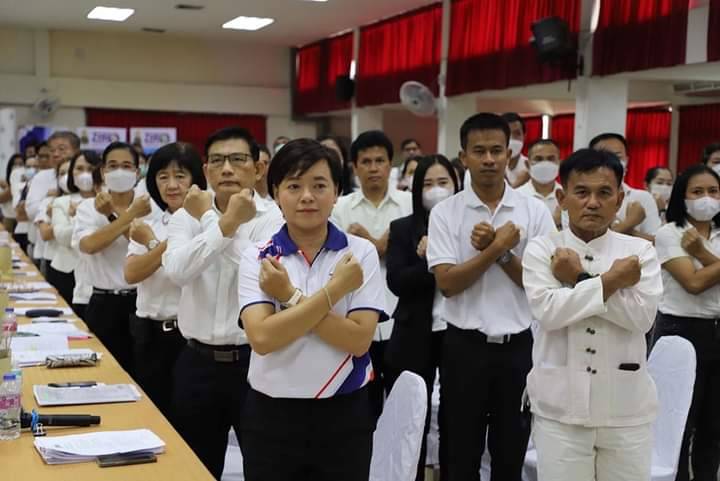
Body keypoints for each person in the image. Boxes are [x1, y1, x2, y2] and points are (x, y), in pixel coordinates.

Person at [238, 138, 384, 481]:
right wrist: (335, 291)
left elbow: (358, 341)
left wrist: (288, 296)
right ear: (276, 193)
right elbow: (262, 338)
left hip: (344, 414)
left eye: (319, 186)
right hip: (271, 415)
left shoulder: (359, 254)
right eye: (294, 186)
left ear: (337, 192)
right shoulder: (258, 255)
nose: (307, 196)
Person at [427, 113, 555, 481]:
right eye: (479, 151)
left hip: (517, 349)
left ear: (509, 156)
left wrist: (501, 254)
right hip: (463, 348)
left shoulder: (534, 212)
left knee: (510, 454)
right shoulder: (446, 213)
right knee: (459, 454)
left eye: (496, 151)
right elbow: (448, 283)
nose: (488, 159)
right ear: (463, 157)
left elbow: (540, 283)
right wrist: (496, 248)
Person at [522, 148, 662, 481]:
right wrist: (612, 281)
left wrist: (578, 279)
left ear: (620, 199)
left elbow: (641, 318)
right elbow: (550, 311)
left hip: (626, 410)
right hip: (559, 410)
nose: (593, 203)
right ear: (562, 198)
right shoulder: (543, 249)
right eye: (582, 192)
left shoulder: (638, 252)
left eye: (604, 193)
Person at [162, 127, 283, 479]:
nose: (227, 168)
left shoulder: (274, 218)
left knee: (263, 465)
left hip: (254, 363)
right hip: (196, 362)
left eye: (237, 159)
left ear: (258, 169)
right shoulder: (184, 216)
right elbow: (177, 271)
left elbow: (261, 271)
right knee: (196, 468)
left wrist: (211, 220)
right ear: (206, 170)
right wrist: (224, 223)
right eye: (217, 161)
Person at [385, 154, 459, 481]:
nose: (436, 190)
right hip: (414, 333)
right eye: (428, 184)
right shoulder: (403, 228)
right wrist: (432, 262)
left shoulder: (471, 230)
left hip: (458, 332)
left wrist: (440, 252)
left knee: (456, 419)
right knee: (412, 418)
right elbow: (397, 281)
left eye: (443, 182)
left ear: (456, 185)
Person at [331, 129, 412, 419]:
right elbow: (336, 260)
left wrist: (376, 244)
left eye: (380, 161)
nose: (374, 168)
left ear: (390, 165)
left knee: (404, 410)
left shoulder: (409, 204)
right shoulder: (340, 207)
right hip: (357, 321)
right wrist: (378, 245)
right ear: (354, 167)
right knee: (363, 409)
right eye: (366, 162)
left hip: (401, 320)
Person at [124, 142, 205, 420]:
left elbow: (182, 274)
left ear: (195, 179)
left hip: (190, 339)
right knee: (152, 416)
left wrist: (152, 244)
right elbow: (131, 273)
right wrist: (161, 244)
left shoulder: (208, 225)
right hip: (149, 335)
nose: (171, 185)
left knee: (188, 419)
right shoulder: (150, 223)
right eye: (163, 176)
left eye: (180, 176)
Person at [653, 163, 720, 481]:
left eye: (713, 191)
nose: (706, 198)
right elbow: (692, 283)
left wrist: (703, 256)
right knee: (678, 424)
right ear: (683, 196)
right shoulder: (670, 233)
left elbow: (704, 272)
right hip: (681, 330)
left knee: (714, 426)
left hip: (717, 331)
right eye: (697, 191)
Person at [72, 141, 152, 377]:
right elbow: (90, 245)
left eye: (126, 166)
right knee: (103, 374)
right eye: (113, 166)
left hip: (141, 302)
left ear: (137, 172)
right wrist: (125, 215)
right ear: (103, 171)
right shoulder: (88, 207)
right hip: (102, 302)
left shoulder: (148, 205)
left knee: (141, 373)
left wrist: (114, 215)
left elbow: (144, 246)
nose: (119, 171)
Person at [50, 150, 102, 318]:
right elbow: (62, 237)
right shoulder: (61, 202)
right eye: (79, 168)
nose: (85, 174)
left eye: (90, 168)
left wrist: (79, 216)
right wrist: (80, 217)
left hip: (99, 274)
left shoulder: (107, 200)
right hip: (66, 271)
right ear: (72, 172)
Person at [590, 133, 661, 242]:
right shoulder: (582, 197)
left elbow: (656, 242)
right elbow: (585, 240)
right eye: (605, 157)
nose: (612, 162)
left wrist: (627, 230)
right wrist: (629, 223)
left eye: (618, 157)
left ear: (626, 160)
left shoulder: (642, 198)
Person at [36, 158, 72, 294]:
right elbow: (46, 234)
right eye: (62, 173)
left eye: (69, 172)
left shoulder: (89, 201)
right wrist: (61, 222)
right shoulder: (49, 201)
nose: (66, 177)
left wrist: (59, 220)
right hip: (55, 261)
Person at [517, 139, 563, 228]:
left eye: (551, 159)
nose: (545, 164)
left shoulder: (567, 197)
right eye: (538, 159)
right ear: (527, 164)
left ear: (559, 163)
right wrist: (554, 222)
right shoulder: (516, 197)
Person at [13, 152, 41, 254]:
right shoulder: (22, 186)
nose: (31, 169)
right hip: (21, 230)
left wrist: (25, 209)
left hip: (35, 233)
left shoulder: (41, 186)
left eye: (35, 166)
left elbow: (28, 212)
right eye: (28, 167)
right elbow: (19, 214)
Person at [501, 112, 529, 188]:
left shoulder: (530, 167)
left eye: (517, 133)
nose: (512, 139)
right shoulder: (491, 165)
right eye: (507, 134)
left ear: (524, 136)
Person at [1, 154, 24, 233]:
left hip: (22, 219)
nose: (17, 167)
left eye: (20, 164)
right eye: (15, 164)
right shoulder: (7, 183)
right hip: (8, 219)